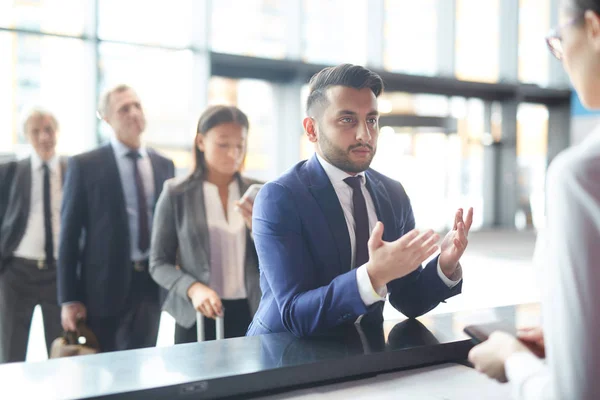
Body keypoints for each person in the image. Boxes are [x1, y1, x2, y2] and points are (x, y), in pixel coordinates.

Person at [247, 64, 473, 338]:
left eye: (371, 120)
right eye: (347, 120)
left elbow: (409, 299)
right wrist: (372, 276)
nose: (365, 135)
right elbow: (295, 313)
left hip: (363, 352)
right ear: (311, 129)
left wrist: (444, 266)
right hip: (284, 355)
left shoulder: (393, 194)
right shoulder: (280, 197)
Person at [468, 1, 600, 398]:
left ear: (593, 28)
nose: (561, 56)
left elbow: (575, 393)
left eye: (558, 38)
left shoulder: (580, 176)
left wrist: (511, 357)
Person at [57, 84, 175, 352]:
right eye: (124, 108)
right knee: (104, 372)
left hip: (150, 285)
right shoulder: (85, 164)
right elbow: (69, 236)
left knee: (142, 363)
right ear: (106, 118)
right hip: (102, 288)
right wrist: (69, 298)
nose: (133, 113)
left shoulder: (163, 164)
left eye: (137, 106)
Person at [150, 105, 261, 343]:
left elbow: (280, 257)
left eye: (240, 145)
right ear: (201, 142)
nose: (233, 153)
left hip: (252, 310)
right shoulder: (176, 193)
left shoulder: (259, 192)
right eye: (223, 144)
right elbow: (158, 263)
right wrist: (193, 288)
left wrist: (258, 231)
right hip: (197, 313)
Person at [0, 109, 66, 363]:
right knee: (11, 351)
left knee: (61, 351)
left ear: (57, 133)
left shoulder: (72, 169)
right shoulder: (11, 171)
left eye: (48, 129)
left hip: (59, 274)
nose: (43, 137)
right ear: (27, 136)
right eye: (36, 131)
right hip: (17, 273)